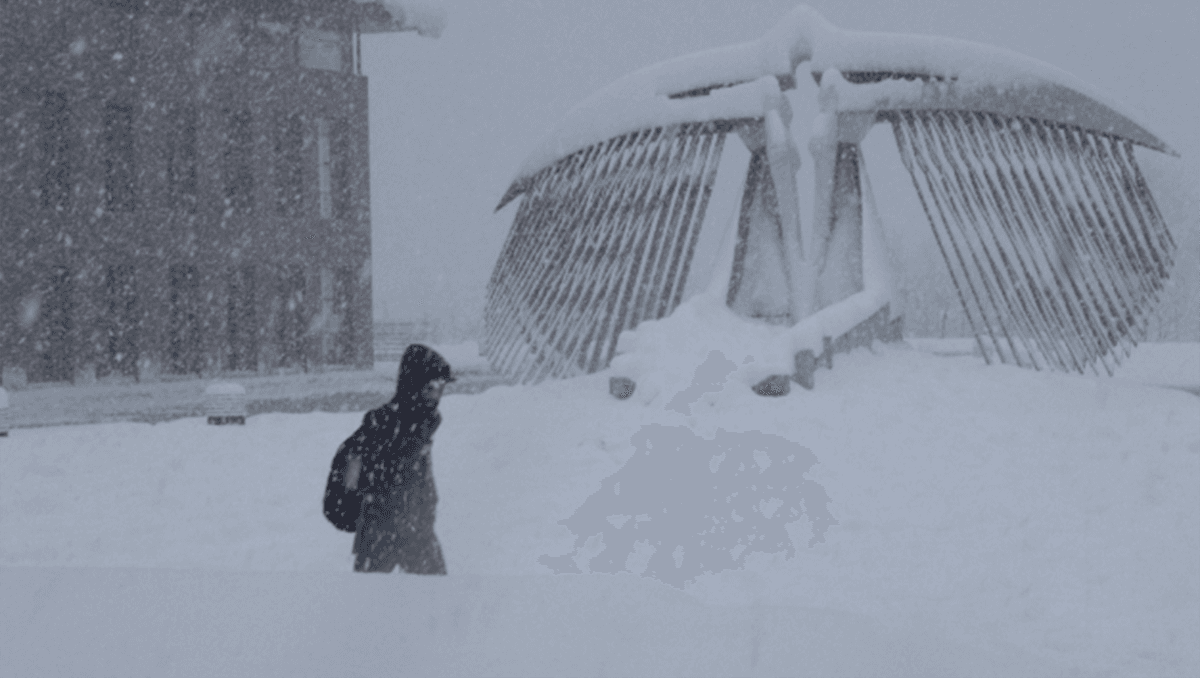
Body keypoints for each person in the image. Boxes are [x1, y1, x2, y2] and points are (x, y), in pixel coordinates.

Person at [323, 344, 454, 574]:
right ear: (415, 386)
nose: (438, 395)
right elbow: (365, 485)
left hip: (416, 538)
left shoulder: (418, 426)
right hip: (383, 544)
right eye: (432, 387)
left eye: (441, 387)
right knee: (373, 605)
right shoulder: (385, 428)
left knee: (433, 603)